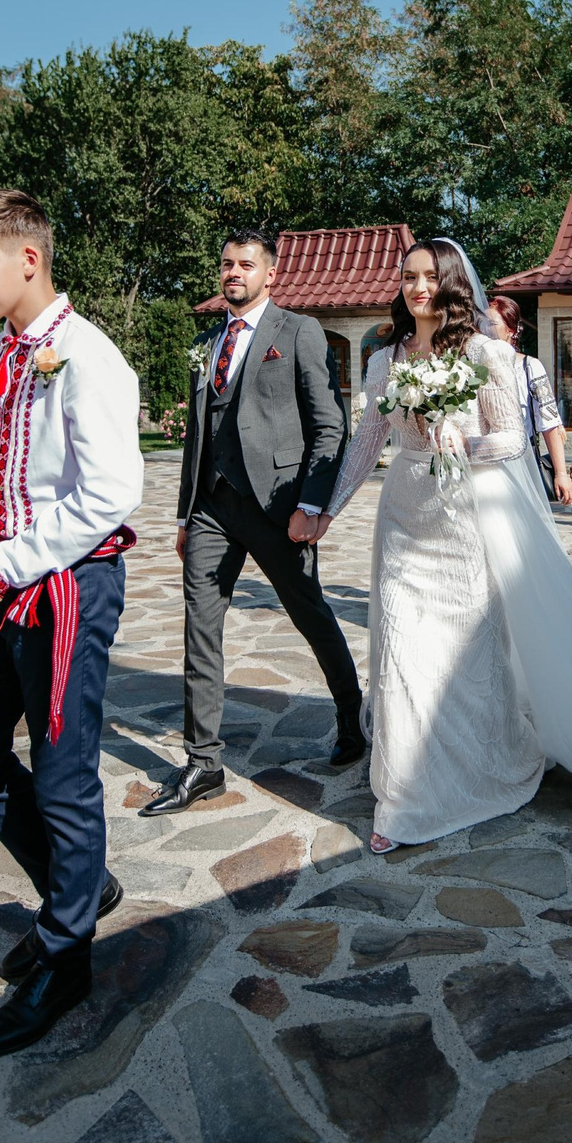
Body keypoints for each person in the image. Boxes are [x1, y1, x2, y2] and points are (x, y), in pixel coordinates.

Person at [320, 241, 572, 850]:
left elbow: (511, 438)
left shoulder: (486, 353)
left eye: (428, 278)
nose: (416, 288)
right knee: (402, 642)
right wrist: (327, 509)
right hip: (404, 516)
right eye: (408, 277)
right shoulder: (385, 359)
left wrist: (462, 444)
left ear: (450, 285)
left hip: (463, 518)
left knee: (466, 653)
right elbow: (366, 441)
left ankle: (480, 762)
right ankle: (403, 797)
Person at [0, 189, 145, 1059]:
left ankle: (66, 949)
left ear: (28, 259)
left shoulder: (88, 356)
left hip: (66, 585)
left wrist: (7, 564)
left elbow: (110, 494)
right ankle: (79, 885)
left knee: (62, 770)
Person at [148, 229, 367, 818]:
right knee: (200, 625)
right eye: (226, 263)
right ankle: (203, 761)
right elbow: (199, 433)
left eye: (245, 264)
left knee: (310, 614)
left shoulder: (298, 332)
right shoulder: (207, 340)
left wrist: (313, 505)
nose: (233, 272)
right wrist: (184, 513)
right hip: (212, 507)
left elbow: (330, 424)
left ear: (270, 274)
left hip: (279, 506)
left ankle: (351, 713)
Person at [485, 295, 572, 508]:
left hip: (521, 463)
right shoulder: (471, 367)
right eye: (481, 323)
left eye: (492, 324)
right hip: (483, 463)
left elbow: (549, 422)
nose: (484, 329)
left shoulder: (529, 367)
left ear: (511, 330)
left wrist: (561, 473)